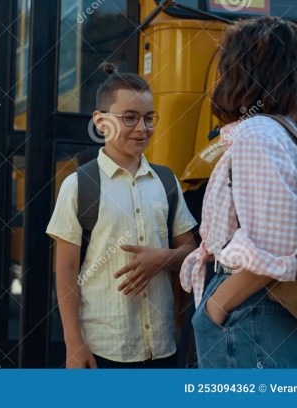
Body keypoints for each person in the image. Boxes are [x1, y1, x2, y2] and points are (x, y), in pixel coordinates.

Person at [180, 17, 297, 368]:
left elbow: (276, 248)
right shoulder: (290, 135)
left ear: (243, 72)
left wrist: (216, 309)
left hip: (250, 314)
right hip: (279, 315)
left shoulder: (257, 134)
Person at [46, 63, 198, 368]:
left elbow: (191, 252)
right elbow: (65, 271)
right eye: (130, 117)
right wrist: (74, 342)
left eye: (148, 118)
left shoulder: (166, 182)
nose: (142, 128)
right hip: (105, 348)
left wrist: (162, 259)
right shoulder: (78, 185)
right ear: (101, 122)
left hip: (162, 347)